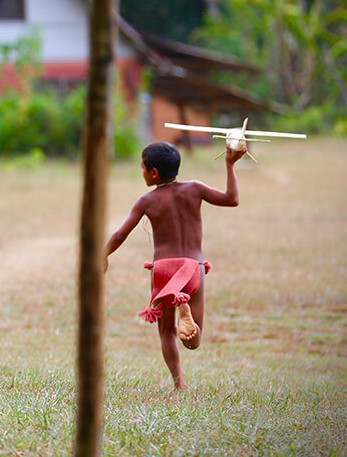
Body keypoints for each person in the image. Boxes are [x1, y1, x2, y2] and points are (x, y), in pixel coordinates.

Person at [104, 141, 246, 390]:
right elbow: (232, 199)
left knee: (167, 332)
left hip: (163, 270)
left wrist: (102, 255)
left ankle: (179, 384)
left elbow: (119, 235)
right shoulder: (195, 188)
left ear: (154, 173)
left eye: (143, 168)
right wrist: (229, 163)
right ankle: (187, 312)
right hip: (193, 267)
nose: (142, 172)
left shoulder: (146, 201)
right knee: (194, 338)